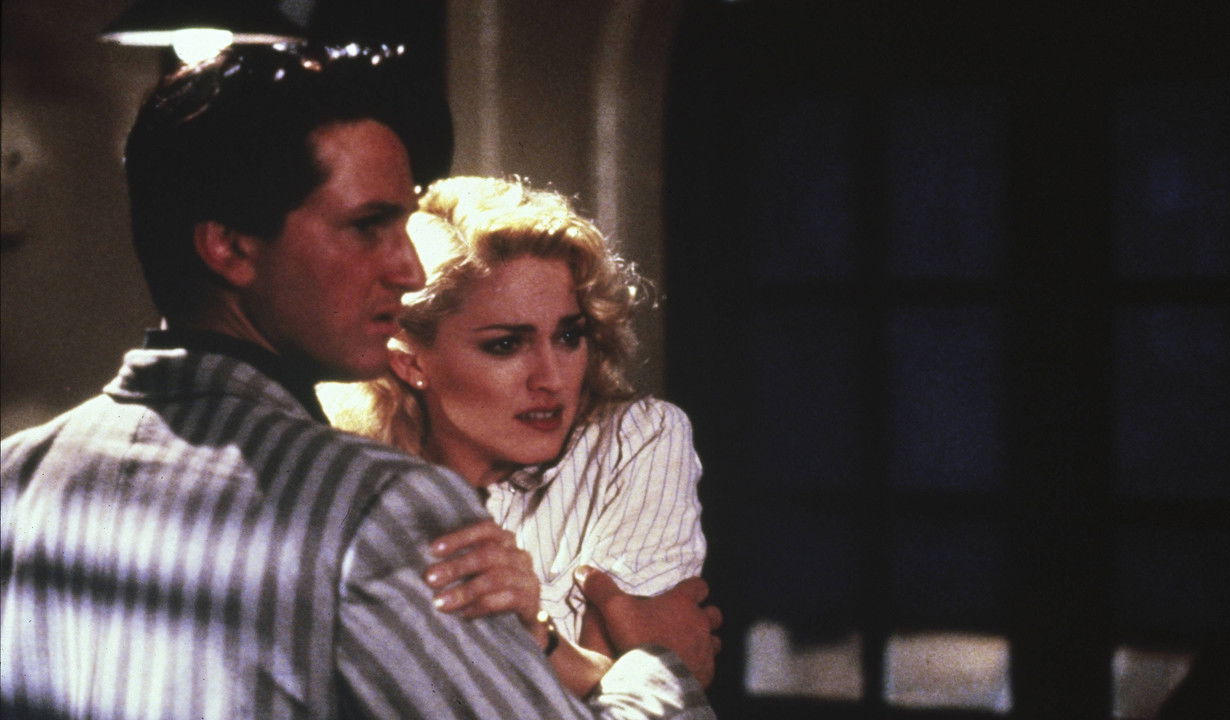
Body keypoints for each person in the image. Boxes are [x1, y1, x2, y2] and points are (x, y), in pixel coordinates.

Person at [0, 45, 716, 719]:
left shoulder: (15, 477)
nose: (407, 270)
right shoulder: (379, 505)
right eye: (369, 226)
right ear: (230, 247)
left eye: (402, 226)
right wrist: (656, 668)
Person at [320, 175, 712, 694]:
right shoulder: (355, 485)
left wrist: (545, 642)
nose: (551, 378)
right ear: (410, 362)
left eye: (568, 335)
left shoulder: (633, 442)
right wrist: (596, 665)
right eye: (506, 345)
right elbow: (641, 687)